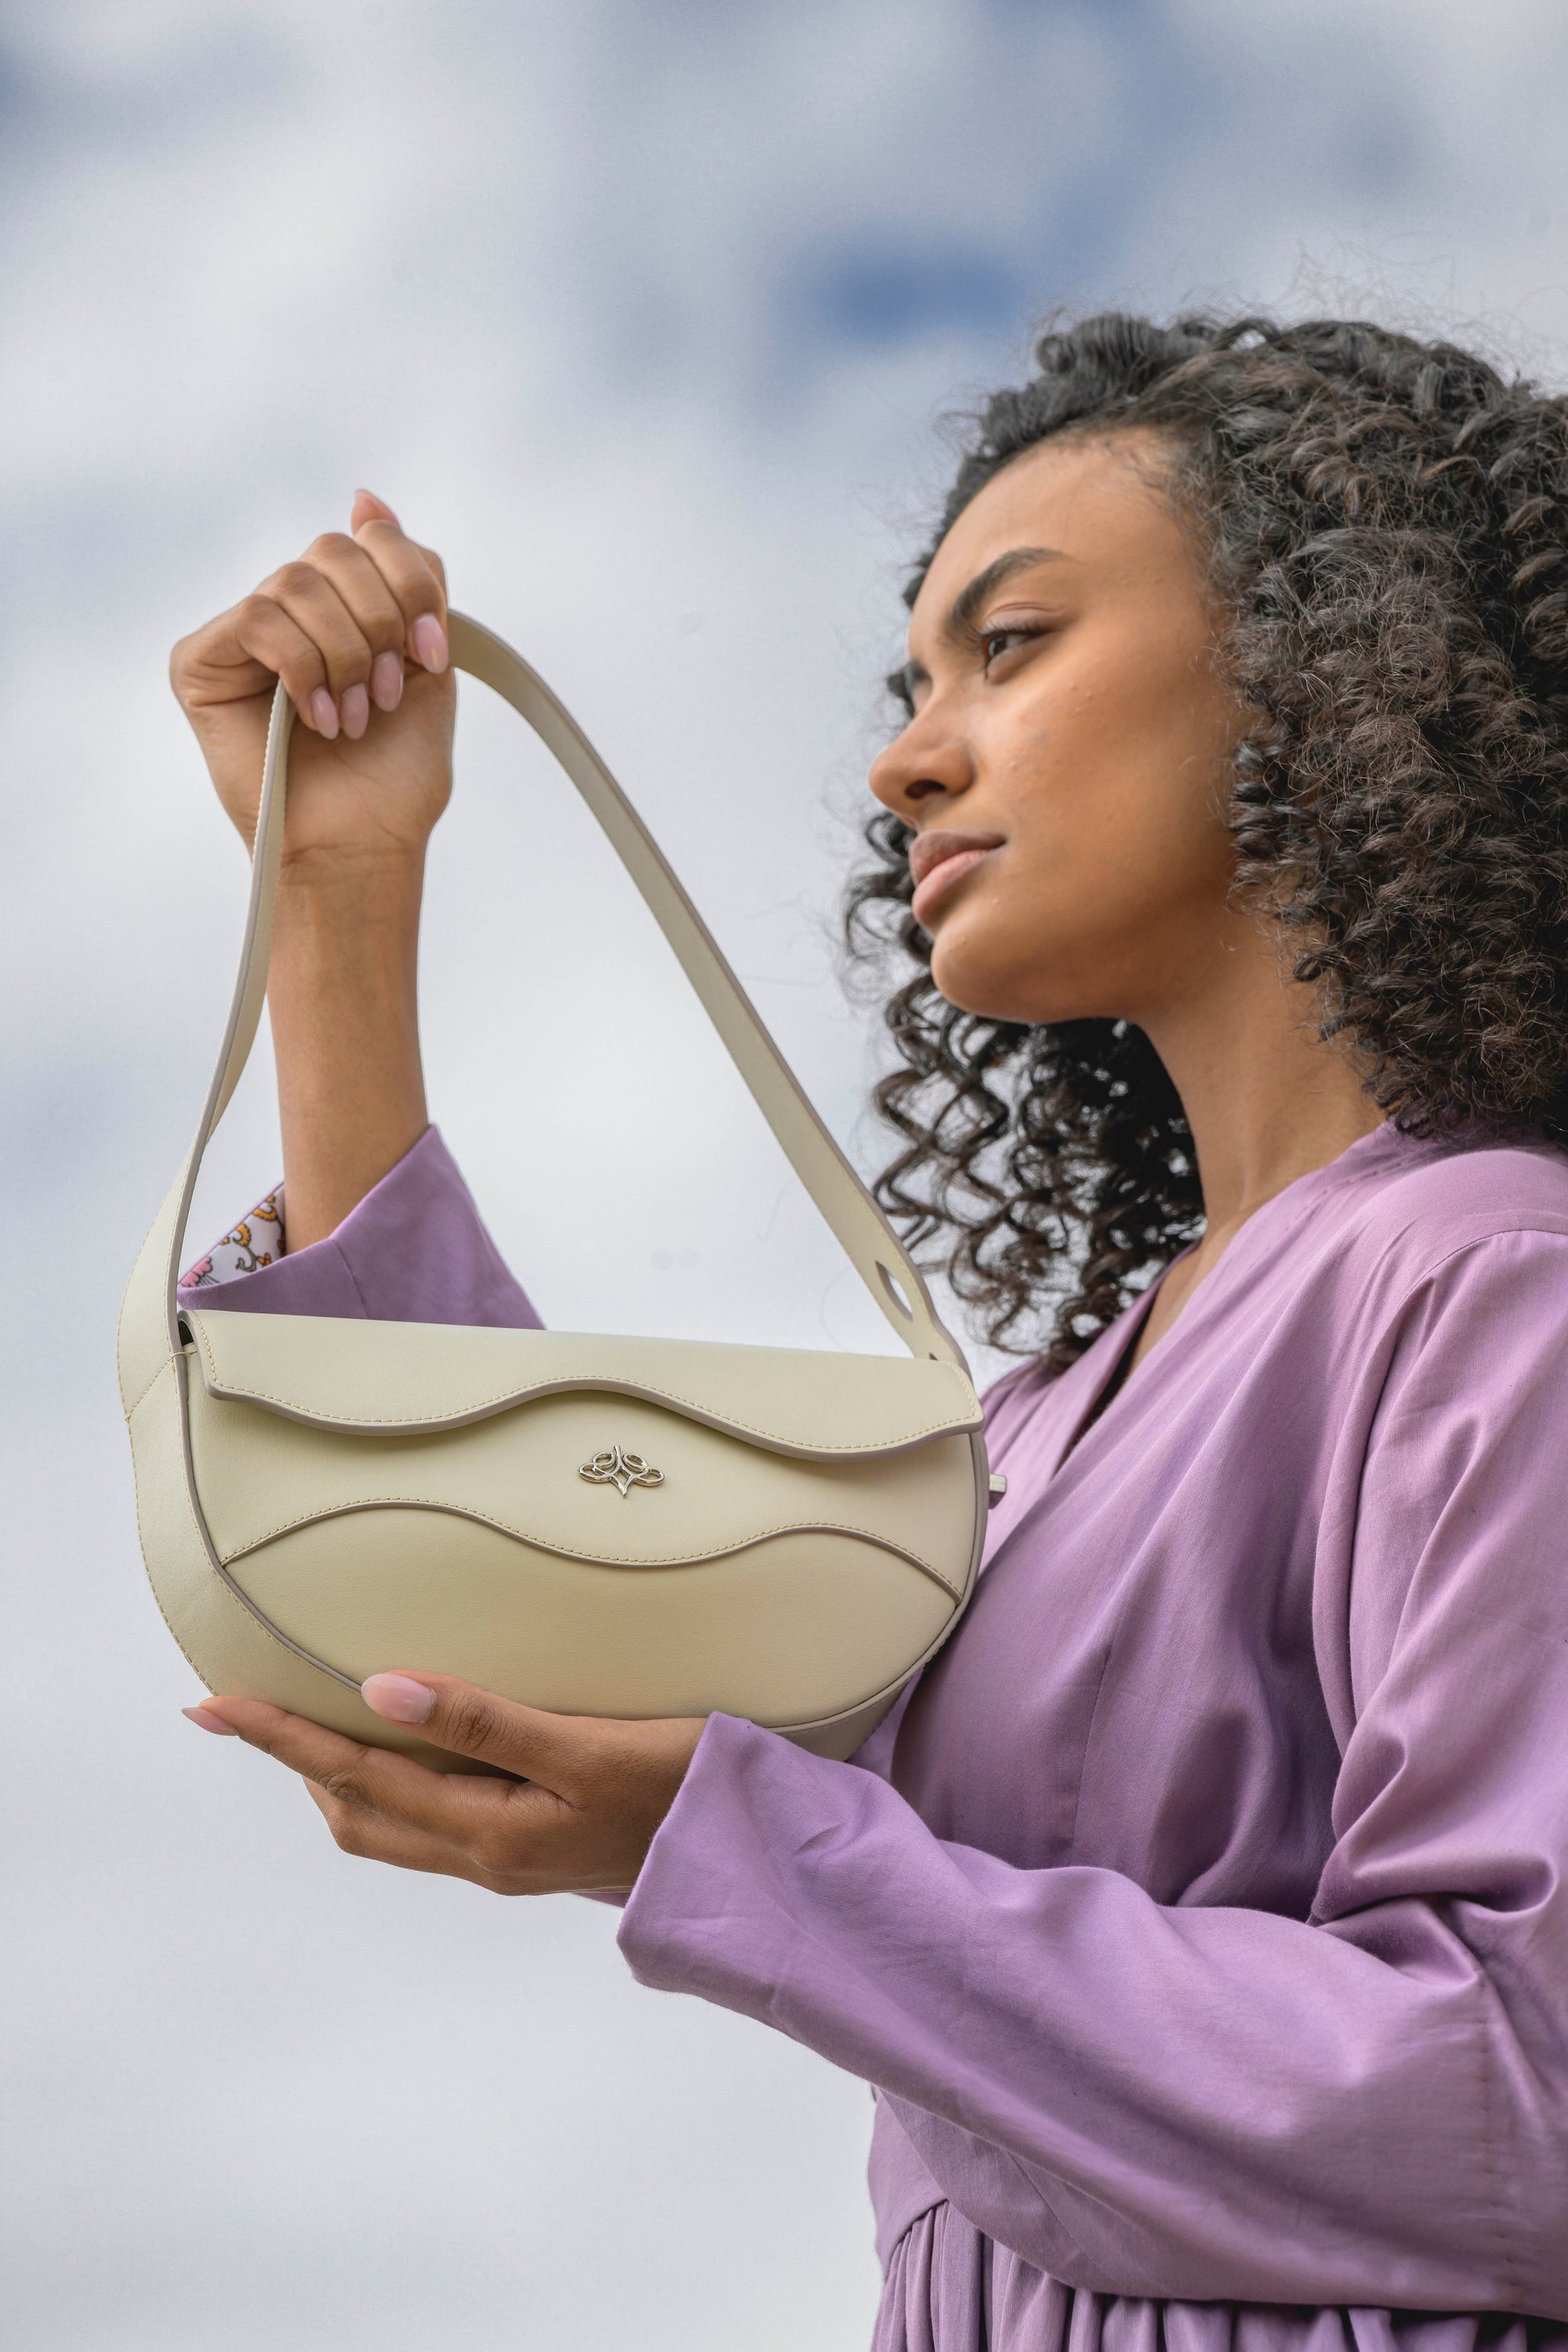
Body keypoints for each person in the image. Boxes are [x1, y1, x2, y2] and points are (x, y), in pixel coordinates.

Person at [172, 314, 1568, 2347]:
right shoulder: (1037, 1429)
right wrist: (338, 881)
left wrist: (756, 1852)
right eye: (915, 681)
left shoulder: (1487, 1280)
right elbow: (497, 1600)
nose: (908, 755)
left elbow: (1521, 2109)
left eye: (1010, 648)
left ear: (1333, 664)